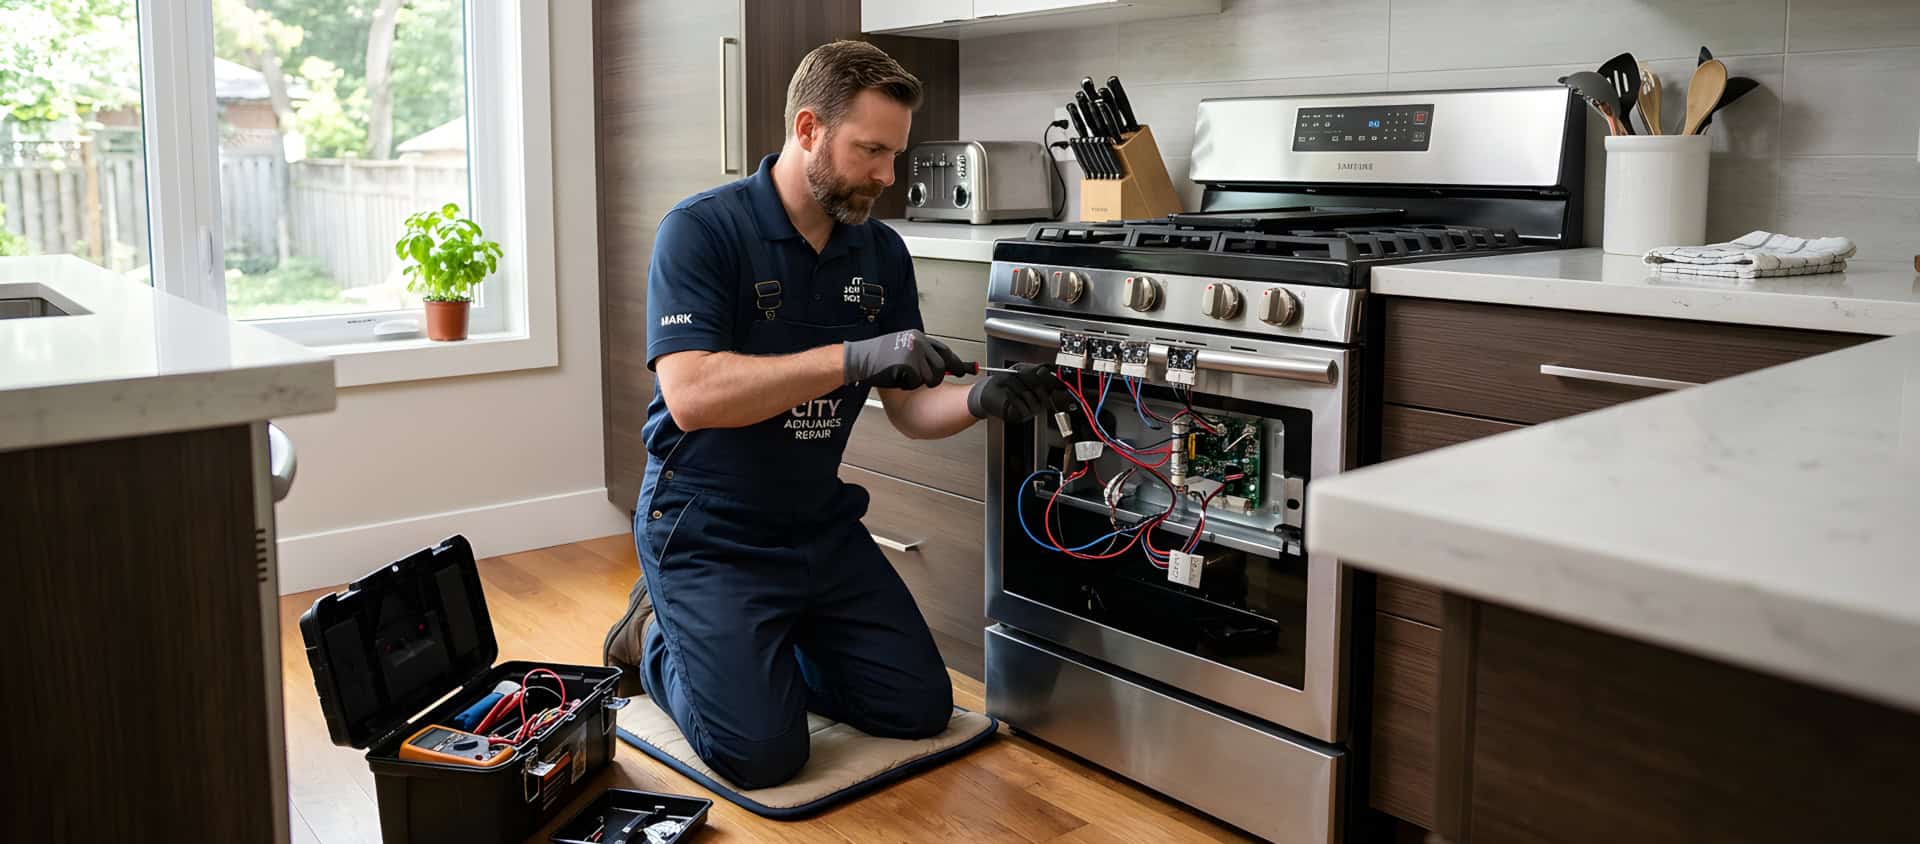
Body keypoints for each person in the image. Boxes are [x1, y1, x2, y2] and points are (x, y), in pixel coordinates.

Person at [601, 40, 1071, 790]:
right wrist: (853, 357)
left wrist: (984, 397)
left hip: (818, 524)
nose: (888, 177)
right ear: (810, 128)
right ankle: (657, 634)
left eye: (896, 155)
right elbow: (690, 396)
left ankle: (759, 648)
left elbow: (912, 410)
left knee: (919, 706)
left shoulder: (880, 253)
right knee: (763, 755)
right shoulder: (701, 230)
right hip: (706, 528)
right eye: (872, 151)